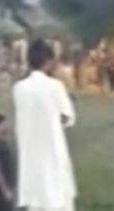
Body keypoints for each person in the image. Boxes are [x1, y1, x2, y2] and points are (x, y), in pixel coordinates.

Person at [13, 39, 77, 211]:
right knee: (58, 195)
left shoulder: (19, 88)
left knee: (36, 200)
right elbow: (67, 117)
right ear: (48, 62)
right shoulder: (55, 86)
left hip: (30, 153)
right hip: (53, 150)